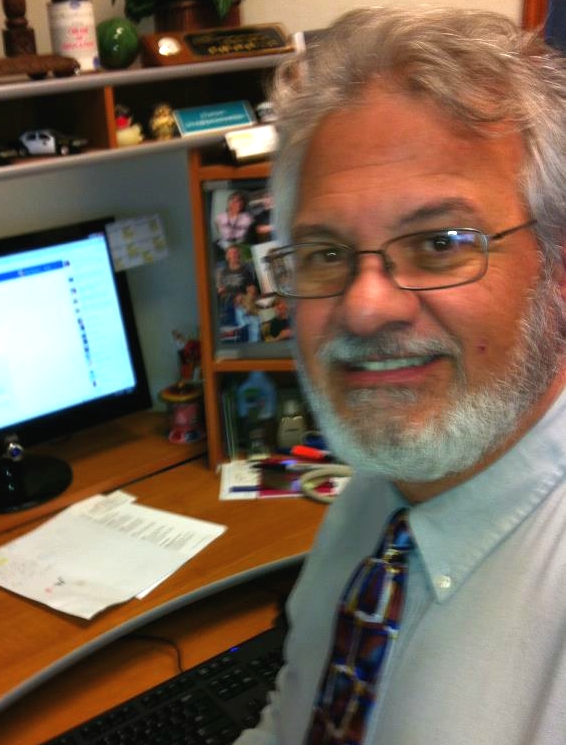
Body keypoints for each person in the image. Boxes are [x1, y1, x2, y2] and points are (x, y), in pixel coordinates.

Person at [236, 8, 566, 745]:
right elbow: (289, 723)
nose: (364, 308)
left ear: (557, 266)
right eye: (324, 254)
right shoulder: (378, 489)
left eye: (440, 243)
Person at [216, 245, 258, 326]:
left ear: (239, 255)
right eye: (231, 253)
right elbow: (221, 290)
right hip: (228, 306)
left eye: (236, 253)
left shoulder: (245, 271)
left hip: (241, 305)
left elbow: (252, 291)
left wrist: (243, 298)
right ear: (227, 256)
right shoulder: (223, 272)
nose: (234, 255)